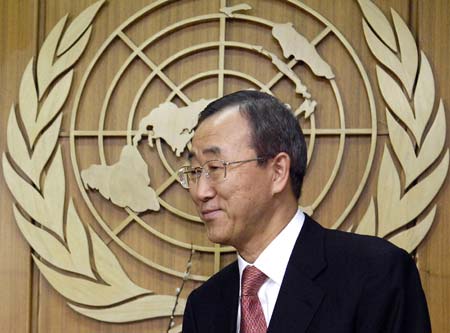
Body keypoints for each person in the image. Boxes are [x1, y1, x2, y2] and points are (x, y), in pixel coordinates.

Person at [179, 90, 431, 333]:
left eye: (214, 167)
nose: (201, 192)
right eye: (194, 172)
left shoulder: (376, 274)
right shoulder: (204, 306)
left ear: (278, 171)